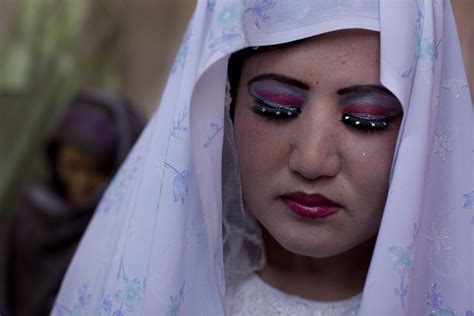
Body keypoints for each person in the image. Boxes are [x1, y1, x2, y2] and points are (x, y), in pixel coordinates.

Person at [54, 1, 473, 315]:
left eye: (365, 120)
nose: (311, 160)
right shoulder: (146, 286)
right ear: (223, 112)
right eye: (277, 107)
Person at [0, 90, 143, 316]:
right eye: (71, 166)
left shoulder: (116, 238)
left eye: (98, 171)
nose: (81, 182)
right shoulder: (31, 213)